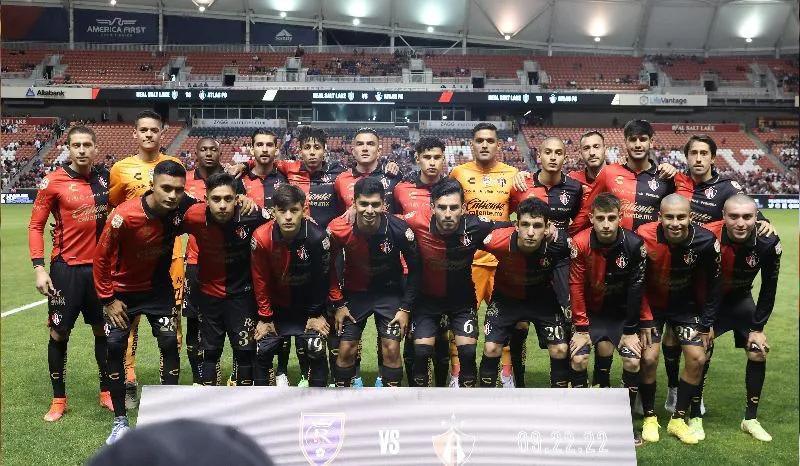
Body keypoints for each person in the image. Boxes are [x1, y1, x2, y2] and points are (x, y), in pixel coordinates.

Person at [660, 134, 776, 415]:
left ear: (713, 158)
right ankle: (675, 389)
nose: (698, 158)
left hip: (727, 283)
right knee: (673, 338)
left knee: (707, 343)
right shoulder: (677, 182)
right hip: (690, 279)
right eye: (693, 153)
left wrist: (767, 226)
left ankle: (706, 401)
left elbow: (751, 216)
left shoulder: (726, 188)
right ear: (686, 157)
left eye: (704, 153)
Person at [94, 160, 197, 444]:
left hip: (158, 291)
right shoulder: (124, 216)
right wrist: (108, 299)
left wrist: (239, 199)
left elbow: (210, 207)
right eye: (166, 188)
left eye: (178, 190)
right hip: (122, 294)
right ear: (152, 184)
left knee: (168, 342)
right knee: (114, 347)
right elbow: (101, 259)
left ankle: (166, 413)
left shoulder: (183, 206)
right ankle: (120, 421)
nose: (172, 196)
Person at [28, 126, 112, 421]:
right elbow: (36, 226)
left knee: (103, 331)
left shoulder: (106, 178)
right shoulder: (52, 182)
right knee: (59, 332)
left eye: (87, 144)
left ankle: (106, 393)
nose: (81, 150)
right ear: (68, 148)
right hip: (65, 270)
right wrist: (39, 269)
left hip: (101, 271)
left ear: (95, 148)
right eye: (76, 144)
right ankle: (58, 399)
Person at [108, 109, 185, 409]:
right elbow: (114, 211)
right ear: (135, 133)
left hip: (169, 255)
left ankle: (169, 391)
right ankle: (128, 380)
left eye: (154, 129)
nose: (149, 134)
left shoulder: (175, 165)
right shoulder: (120, 169)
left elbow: (182, 207)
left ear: (162, 132)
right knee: (129, 323)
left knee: (171, 323)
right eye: (144, 130)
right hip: (130, 260)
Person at [405, 179, 509, 388]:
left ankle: (466, 407)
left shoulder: (476, 226)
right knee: (422, 352)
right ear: (432, 207)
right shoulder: (416, 221)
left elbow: (509, 226)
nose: (448, 214)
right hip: (427, 300)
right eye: (442, 208)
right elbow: (386, 219)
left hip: (462, 300)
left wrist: (548, 226)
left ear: (463, 208)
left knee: (468, 352)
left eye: (454, 208)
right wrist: (353, 210)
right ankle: (420, 408)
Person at [636, 194, 721, 445]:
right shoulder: (644, 234)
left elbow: (715, 285)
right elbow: (636, 281)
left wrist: (707, 322)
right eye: (669, 217)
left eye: (681, 217)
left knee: (697, 357)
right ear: (660, 217)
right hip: (652, 307)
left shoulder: (706, 240)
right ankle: (650, 417)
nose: (675, 223)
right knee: (649, 357)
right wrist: (644, 318)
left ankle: (678, 419)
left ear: (690, 217)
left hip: (686, 307)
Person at [568, 192, 647, 447]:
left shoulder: (635, 245)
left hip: (620, 316)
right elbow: (576, 286)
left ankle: (623, 423)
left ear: (620, 218)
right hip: (590, 315)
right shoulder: (579, 243)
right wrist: (580, 328)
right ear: (591, 218)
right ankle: (581, 418)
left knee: (633, 362)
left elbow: (637, 289)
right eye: (600, 218)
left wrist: (631, 329)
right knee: (578, 358)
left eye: (611, 218)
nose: (605, 224)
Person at [328, 177, 421, 387]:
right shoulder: (338, 228)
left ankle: (391, 406)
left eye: (375, 204)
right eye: (363, 204)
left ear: (384, 205)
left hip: (389, 294)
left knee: (391, 347)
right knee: (346, 349)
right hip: (355, 294)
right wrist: (339, 303)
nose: (369, 210)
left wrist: (405, 308)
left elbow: (416, 270)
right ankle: (343, 403)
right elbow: (327, 267)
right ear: (354, 203)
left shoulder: (399, 230)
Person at [702, 195, 780, 442]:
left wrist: (758, 327)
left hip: (741, 300)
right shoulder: (706, 236)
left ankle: (751, 419)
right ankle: (694, 412)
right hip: (709, 302)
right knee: (700, 349)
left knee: (758, 350)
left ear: (757, 218)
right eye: (734, 216)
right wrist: (704, 322)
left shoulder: (769, 242)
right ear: (723, 217)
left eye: (748, 217)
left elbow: (769, 288)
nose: (741, 223)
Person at [449, 123, 519, 387]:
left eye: (490, 140)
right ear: (472, 144)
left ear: (498, 144)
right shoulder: (459, 173)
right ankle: (457, 374)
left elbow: (521, 214)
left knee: (504, 320)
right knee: (462, 320)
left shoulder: (513, 174)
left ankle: (506, 374)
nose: (485, 145)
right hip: (469, 261)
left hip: (502, 261)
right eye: (480, 140)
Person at [179, 173, 265, 386]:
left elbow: (280, 221)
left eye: (228, 198)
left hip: (242, 296)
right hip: (208, 296)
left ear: (237, 198)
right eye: (216, 199)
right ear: (206, 198)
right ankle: (210, 404)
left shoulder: (251, 214)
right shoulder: (194, 216)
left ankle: (243, 405)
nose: (222, 205)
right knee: (209, 352)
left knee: (245, 353)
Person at [333, 127, 402, 387]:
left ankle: (385, 382)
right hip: (353, 263)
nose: (365, 148)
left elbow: (399, 216)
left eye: (370, 143)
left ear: (379, 148)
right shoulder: (339, 180)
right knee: (349, 338)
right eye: (359, 143)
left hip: (388, 264)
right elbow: (338, 221)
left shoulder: (392, 177)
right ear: (352, 149)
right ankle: (355, 378)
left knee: (389, 340)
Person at [479, 198, 570, 389]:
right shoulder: (496, 241)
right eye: (525, 225)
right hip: (506, 299)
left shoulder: (560, 244)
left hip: (543, 300)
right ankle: (486, 405)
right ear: (516, 226)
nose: (530, 232)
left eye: (537, 226)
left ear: (547, 227)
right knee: (491, 348)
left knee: (561, 349)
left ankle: (560, 406)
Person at [250, 184, 331, 387]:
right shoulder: (261, 238)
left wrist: (316, 314)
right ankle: (261, 407)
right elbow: (260, 280)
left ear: (304, 210)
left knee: (316, 346)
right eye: (282, 211)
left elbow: (322, 279)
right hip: (276, 308)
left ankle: (319, 404)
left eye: (294, 210)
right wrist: (265, 317)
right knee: (263, 348)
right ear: (273, 212)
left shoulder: (318, 238)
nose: (288, 217)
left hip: (307, 308)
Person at [182, 137, 246, 385]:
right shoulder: (186, 180)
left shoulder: (232, 179)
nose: (208, 153)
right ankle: (203, 378)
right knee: (194, 324)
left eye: (213, 149)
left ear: (221, 152)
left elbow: (244, 210)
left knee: (234, 326)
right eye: (203, 149)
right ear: (195, 152)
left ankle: (237, 379)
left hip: (230, 263)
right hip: (196, 263)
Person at [393, 136, 451, 387]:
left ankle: (440, 388)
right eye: (427, 157)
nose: (432, 162)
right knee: (411, 334)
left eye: (437, 157)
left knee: (442, 334)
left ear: (443, 159)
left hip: (444, 273)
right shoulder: (401, 189)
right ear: (417, 159)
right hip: (408, 272)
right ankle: (416, 389)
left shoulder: (453, 189)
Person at [571, 120, 676, 235]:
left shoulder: (665, 176)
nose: (637, 145)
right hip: (617, 248)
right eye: (632, 139)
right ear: (625, 142)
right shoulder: (608, 173)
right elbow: (587, 212)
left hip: (652, 248)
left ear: (651, 142)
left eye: (643, 139)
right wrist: (568, 237)